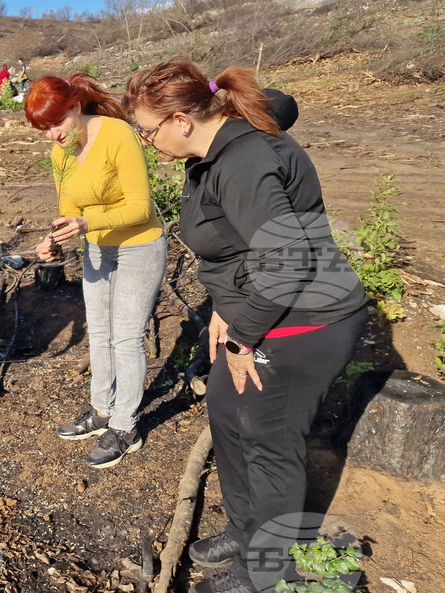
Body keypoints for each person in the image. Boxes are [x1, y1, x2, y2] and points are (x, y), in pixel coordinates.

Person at [124, 58, 367, 593]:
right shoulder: (212, 154)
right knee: (228, 416)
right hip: (259, 313)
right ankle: (246, 528)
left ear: (181, 119)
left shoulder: (243, 159)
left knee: (268, 438)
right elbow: (236, 248)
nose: (147, 141)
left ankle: (266, 571)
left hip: (305, 320)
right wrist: (224, 311)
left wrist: (242, 335)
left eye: (147, 130)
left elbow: (287, 261)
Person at [24, 73, 167, 469]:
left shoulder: (118, 134)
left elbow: (141, 206)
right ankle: (102, 411)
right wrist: (53, 240)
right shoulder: (61, 153)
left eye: (55, 124)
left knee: (126, 336)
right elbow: (69, 209)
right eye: (44, 129)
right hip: (98, 248)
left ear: (75, 107)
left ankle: (126, 426)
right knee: (100, 333)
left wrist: (89, 224)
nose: (52, 136)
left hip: (139, 245)